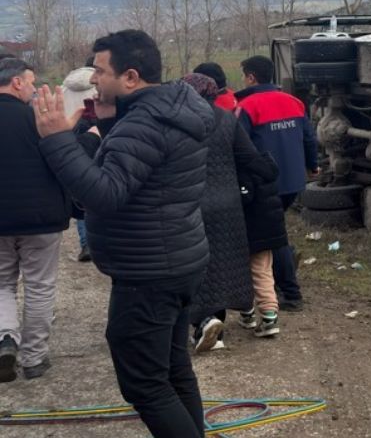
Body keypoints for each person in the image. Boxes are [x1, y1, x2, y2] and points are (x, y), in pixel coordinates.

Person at [35, 29, 214, 438]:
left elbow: (104, 195)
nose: (93, 79)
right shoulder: (172, 107)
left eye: (100, 71)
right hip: (177, 259)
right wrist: (107, 123)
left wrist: (57, 140)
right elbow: (138, 172)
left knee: (145, 385)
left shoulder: (144, 123)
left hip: (148, 273)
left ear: (130, 76)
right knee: (173, 370)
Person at [180, 73, 264, 353]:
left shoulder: (178, 120)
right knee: (223, 264)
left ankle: (202, 321)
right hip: (228, 203)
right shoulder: (227, 119)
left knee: (194, 264)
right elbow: (248, 156)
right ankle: (217, 327)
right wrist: (269, 174)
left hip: (190, 202)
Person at [0, 57, 70, 382]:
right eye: (30, 81)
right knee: (39, 286)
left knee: (1, 283)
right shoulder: (40, 119)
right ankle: (34, 358)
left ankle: (5, 338)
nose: (33, 87)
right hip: (42, 218)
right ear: (16, 82)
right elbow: (65, 160)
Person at [234, 55, 317, 312]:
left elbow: (238, 146)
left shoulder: (246, 107)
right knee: (276, 230)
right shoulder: (293, 101)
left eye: (244, 76)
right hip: (294, 180)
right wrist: (312, 166)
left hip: (264, 184)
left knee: (273, 238)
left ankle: (290, 293)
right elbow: (309, 138)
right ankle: (284, 274)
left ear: (251, 77)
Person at [236, 147, 288, 339]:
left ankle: (248, 312)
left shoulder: (242, 170)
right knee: (263, 271)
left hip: (249, 230)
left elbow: (244, 197)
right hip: (269, 231)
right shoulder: (266, 164)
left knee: (242, 271)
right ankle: (269, 316)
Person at [61, 56, 98, 262]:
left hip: (69, 136)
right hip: (97, 134)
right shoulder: (101, 81)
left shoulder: (66, 85)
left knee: (80, 190)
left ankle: (86, 243)